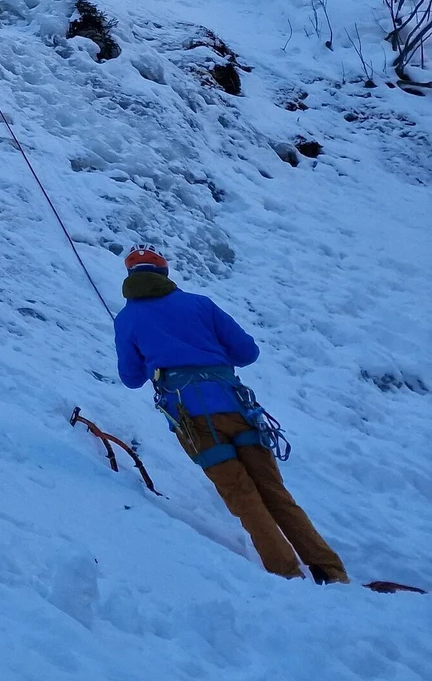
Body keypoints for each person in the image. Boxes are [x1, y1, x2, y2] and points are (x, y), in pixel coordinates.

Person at [114, 247, 348, 583]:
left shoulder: (127, 319)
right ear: (164, 273)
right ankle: (330, 570)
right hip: (236, 407)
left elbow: (131, 378)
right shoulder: (200, 304)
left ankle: (287, 574)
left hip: (190, 419)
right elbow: (247, 352)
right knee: (274, 490)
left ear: (130, 277)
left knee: (242, 494)